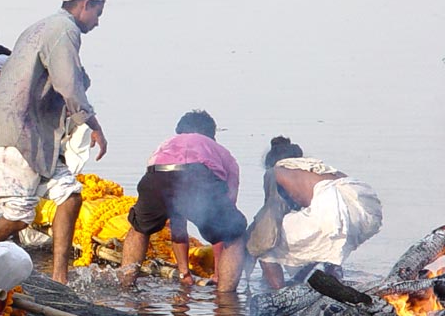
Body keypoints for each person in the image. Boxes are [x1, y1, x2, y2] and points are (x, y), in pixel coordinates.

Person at [0, 0, 109, 285]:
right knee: (18, 216)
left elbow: (73, 79)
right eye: (98, 13)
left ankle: (59, 277)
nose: (98, 21)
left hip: (35, 134)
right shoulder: (64, 30)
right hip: (18, 132)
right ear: (84, 5)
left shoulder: (49, 26)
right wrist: (93, 124)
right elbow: (68, 84)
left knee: (70, 194)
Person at [118, 110, 248, 293]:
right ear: (211, 134)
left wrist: (184, 272)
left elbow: (176, 218)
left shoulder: (165, 146)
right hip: (198, 175)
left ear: (179, 130)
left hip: (157, 174)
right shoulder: (220, 151)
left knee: (139, 228)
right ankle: (225, 299)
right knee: (234, 233)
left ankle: (125, 286)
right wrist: (217, 274)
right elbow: (227, 218)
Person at [250, 136, 383, 289]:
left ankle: (281, 296)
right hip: (365, 209)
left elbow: (270, 215)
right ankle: (333, 282)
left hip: (331, 209)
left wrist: (256, 246)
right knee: (322, 243)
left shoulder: (275, 172)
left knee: (268, 251)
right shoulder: (313, 167)